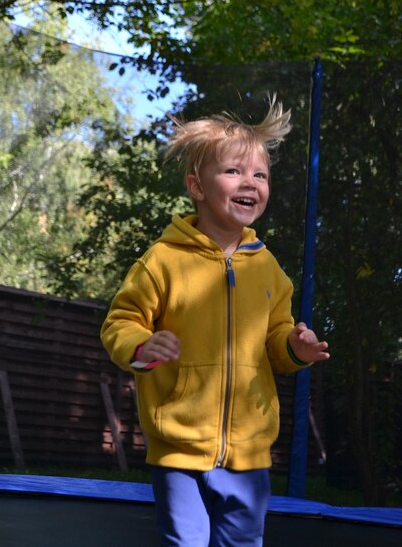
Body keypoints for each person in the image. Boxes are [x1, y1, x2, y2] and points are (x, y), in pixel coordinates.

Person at [100, 96, 330, 547]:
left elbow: (276, 340)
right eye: (234, 171)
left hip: (249, 453)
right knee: (186, 542)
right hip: (180, 445)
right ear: (197, 187)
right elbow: (120, 321)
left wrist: (294, 349)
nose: (250, 182)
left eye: (259, 175)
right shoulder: (162, 262)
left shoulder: (268, 270)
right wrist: (142, 347)